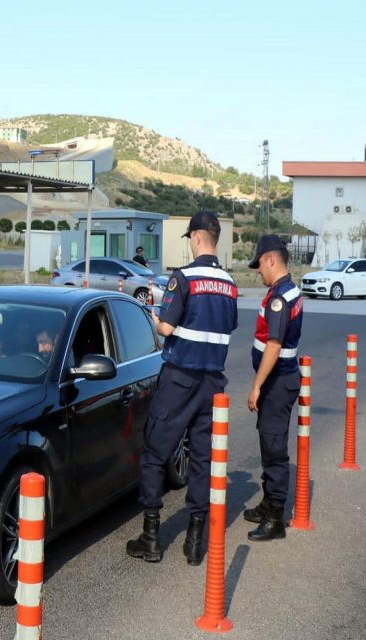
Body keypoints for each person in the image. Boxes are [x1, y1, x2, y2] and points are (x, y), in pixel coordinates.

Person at [126, 211, 237, 565]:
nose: (189, 243)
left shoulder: (184, 278)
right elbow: (226, 327)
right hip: (213, 383)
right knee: (202, 459)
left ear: (198, 238)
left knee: (155, 453)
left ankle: (151, 536)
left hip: (180, 379)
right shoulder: (230, 283)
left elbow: (167, 330)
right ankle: (194, 542)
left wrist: (157, 319)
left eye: (190, 237)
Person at [243, 234, 303, 542]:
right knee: (269, 443)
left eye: (259, 265)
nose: (258, 272)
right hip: (278, 380)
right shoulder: (285, 289)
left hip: (277, 382)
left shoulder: (280, 297)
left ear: (271, 259)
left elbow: (274, 344)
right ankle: (269, 502)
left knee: (275, 449)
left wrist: (256, 386)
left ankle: (276, 517)